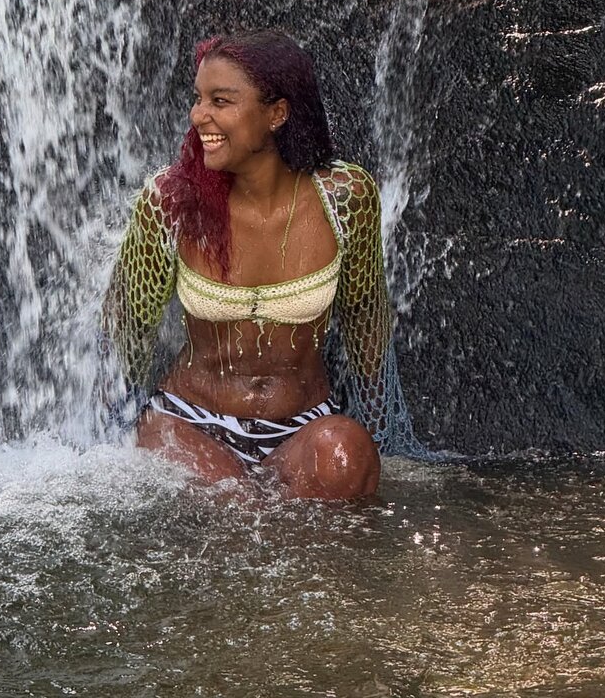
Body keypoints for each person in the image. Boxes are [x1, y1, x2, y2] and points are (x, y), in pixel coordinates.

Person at [102, 30, 421, 500]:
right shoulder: (169, 202)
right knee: (237, 503)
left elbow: (365, 316)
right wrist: (109, 433)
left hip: (300, 424)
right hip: (189, 421)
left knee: (347, 460)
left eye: (221, 101)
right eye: (198, 99)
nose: (199, 116)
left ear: (277, 113)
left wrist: (379, 430)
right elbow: (126, 327)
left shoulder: (346, 198)